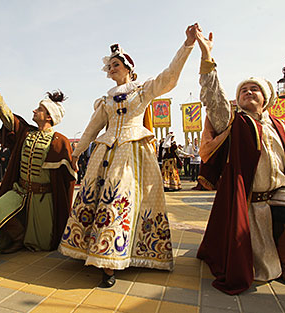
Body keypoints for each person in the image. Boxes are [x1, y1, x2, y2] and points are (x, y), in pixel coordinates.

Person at [58, 24, 197, 288]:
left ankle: (110, 261)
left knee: (119, 199)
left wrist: (187, 46)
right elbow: (92, 128)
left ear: (128, 68)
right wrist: (76, 153)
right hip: (106, 152)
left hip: (132, 152)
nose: (111, 69)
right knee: (98, 198)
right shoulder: (105, 100)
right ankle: (94, 250)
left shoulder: (142, 90)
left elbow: (169, 77)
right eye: (109, 66)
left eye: (115, 65)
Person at [194, 27, 285, 294]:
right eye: (244, 90)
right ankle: (272, 259)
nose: (248, 93)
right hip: (245, 201)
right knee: (242, 259)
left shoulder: (282, 128)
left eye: (255, 90)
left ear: (265, 100)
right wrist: (207, 56)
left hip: (277, 196)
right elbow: (213, 97)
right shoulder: (233, 121)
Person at [0, 65, 76, 263]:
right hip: (19, 191)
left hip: (44, 199)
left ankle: (20, 238)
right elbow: (6, 115)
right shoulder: (25, 132)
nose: (34, 110)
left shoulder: (60, 140)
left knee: (42, 246)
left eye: (39, 109)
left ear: (49, 116)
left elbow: (67, 180)